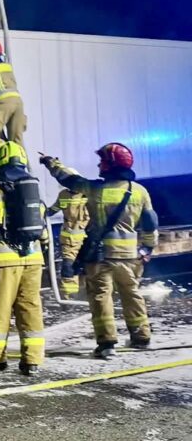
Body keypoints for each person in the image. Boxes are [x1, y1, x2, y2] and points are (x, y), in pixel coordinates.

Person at [41, 143, 159, 358]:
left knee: (100, 297)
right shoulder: (139, 191)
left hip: (100, 255)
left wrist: (52, 163)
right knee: (132, 294)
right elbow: (150, 223)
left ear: (109, 165)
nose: (99, 164)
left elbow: (70, 180)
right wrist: (147, 248)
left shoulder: (95, 190)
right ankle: (141, 337)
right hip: (130, 257)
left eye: (102, 161)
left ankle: (107, 344)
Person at [0, 141, 47, 375]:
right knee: (30, 308)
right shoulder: (31, 189)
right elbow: (42, 230)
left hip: (2, 261)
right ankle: (32, 361)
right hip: (33, 259)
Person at [47, 188, 90, 297]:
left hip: (88, 236)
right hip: (70, 237)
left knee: (87, 266)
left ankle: (85, 292)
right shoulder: (64, 194)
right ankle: (69, 295)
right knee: (68, 265)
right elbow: (55, 208)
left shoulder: (89, 192)